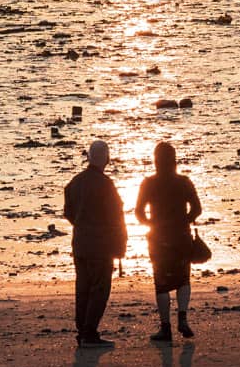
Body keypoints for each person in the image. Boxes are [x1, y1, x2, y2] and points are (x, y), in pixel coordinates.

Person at [134, 141, 203, 344]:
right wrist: (185, 221)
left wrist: (150, 224)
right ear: (174, 160)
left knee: (161, 284)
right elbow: (197, 208)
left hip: (158, 237)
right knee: (183, 278)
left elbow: (138, 211)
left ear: (155, 161)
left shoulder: (148, 183)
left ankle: (165, 327)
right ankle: (183, 317)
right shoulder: (184, 182)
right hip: (181, 236)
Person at [62, 139, 127, 349]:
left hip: (80, 244)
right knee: (100, 289)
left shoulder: (75, 182)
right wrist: (120, 245)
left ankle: (83, 331)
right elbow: (117, 217)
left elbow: (68, 213)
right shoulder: (106, 185)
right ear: (106, 159)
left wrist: (81, 226)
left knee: (82, 289)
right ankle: (89, 333)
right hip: (100, 246)